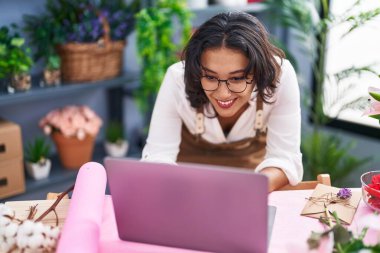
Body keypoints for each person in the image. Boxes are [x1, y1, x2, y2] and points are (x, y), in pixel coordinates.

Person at [141, 11, 303, 192]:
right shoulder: (177, 79)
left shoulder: (280, 76)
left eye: (237, 79)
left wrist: (249, 189)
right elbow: (156, 156)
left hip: (252, 190)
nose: (223, 94)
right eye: (210, 77)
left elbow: (285, 158)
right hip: (187, 191)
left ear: (258, 72)